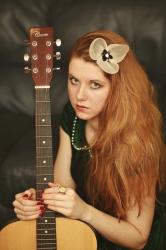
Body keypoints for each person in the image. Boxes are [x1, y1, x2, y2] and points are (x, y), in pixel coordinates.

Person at [13, 30, 166, 250]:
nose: (79, 96)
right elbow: (62, 186)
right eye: (74, 80)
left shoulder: (138, 140)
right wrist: (36, 201)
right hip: (85, 229)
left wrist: (83, 211)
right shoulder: (73, 116)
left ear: (118, 89)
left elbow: (138, 238)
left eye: (95, 84)